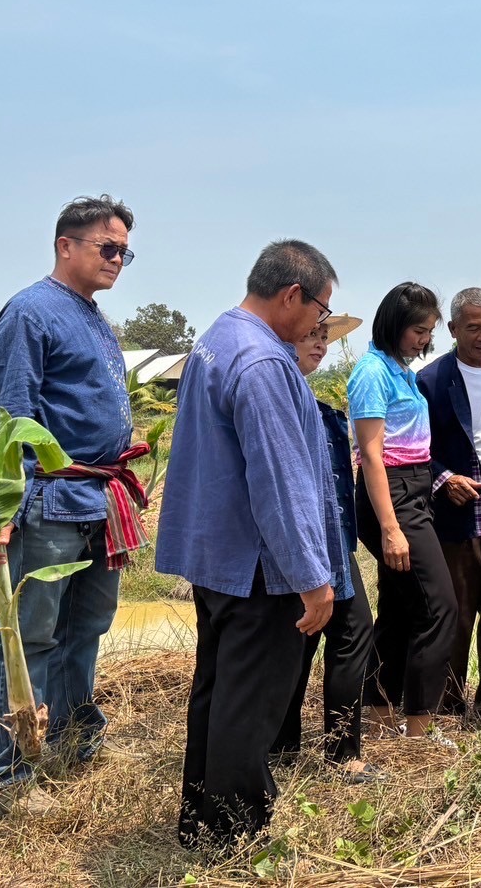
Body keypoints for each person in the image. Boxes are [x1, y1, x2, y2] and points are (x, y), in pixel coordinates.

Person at [157, 240, 346, 848]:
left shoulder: (219, 337)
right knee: (252, 704)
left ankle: (200, 821)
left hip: (220, 556)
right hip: (261, 566)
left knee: (218, 692)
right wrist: (312, 577)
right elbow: (281, 481)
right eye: (320, 310)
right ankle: (234, 834)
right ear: (292, 294)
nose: (318, 324)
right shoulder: (264, 363)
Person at [0, 194, 140, 806]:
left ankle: (74, 741)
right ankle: (6, 774)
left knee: (86, 627)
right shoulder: (30, 312)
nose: (117, 259)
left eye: (125, 251)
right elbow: (11, 417)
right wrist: (4, 513)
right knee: (28, 635)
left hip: (98, 498)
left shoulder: (92, 315)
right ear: (65, 245)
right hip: (49, 499)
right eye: (108, 247)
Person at [271, 313, 379, 780]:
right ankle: (293, 746)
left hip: (330, 538)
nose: (320, 344)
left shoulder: (310, 403)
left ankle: (329, 748)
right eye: (310, 335)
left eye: (323, 337)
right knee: (306, 636)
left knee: (346, 630)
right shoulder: (277, 397)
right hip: (300, 539)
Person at [349, 282, 458, 742]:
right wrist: (391, 528)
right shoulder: (372, 372)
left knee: (399, 608)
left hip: (413, 491)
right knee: (440, 608)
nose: (425, 341)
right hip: (391, 496)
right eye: (418, 331)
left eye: (429, 332)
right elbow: (371, 456)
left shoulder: (399, 370)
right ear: (394, 324)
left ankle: (378, 717)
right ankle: (419, 729)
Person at [417, 288, 481, 717]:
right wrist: (444, 479)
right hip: (459, 513)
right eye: (474, 327)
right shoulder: (431, 381)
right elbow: (413, 450)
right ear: (453, 329)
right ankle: (446, 708)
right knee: (457, 614)